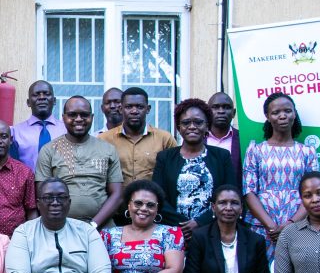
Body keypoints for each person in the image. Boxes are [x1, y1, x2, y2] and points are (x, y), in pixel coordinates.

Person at [243, 92, 319, 264]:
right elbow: (248, 191)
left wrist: (290, 223)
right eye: (276, 112)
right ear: (268, 116)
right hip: (261, 225)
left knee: (297, 272)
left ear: (294, 114)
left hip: (298, 224)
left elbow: (313, 193)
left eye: (288, 111)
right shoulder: (255, 150)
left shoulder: (307, 152)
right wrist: (271, 226)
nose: (283, 116)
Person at [151, 98, 235, 241]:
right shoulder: (165, 157)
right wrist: (183, 225)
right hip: (174, 231)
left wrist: (199, 222)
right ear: (178, 127)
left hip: (213, 230)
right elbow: (158, 197)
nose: (192, 126)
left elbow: (230, 193)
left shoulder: (222, 156)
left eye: (198, 122)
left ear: (207, 126)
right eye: (186, 122)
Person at [35, 95, 123, 229]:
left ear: (92, 117)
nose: (78, 119)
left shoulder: (108, 149)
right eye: (72, 115)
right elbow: (43, 195)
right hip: (62, 228)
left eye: (84, 115)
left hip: (102, 227)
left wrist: (93, 225)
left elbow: (117, 194)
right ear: (63, 117)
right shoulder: (49, 150)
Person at [100, 87, 178, 184]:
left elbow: (175, 172)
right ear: (121, 109)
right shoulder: (104, 139)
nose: (134, 111)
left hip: (153, 198)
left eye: (140, 107)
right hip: (117, 198)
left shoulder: (164, 139)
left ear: (148, 109)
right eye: (128, 107)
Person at [11, 80, 66, 172]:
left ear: (54, 100)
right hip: (28, 185)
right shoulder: (15, 132)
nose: (41, 97)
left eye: (46, 94)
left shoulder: (66, 130)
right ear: (28, 102)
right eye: (36, 94)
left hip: (61, 185)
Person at [207, 92, 243, 184]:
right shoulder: (198, 139)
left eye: (226, 107)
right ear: (207, 112)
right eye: (215, 107)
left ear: (234, 113)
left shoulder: (243, 140)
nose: (221, 111)